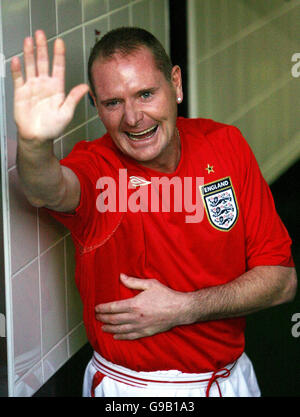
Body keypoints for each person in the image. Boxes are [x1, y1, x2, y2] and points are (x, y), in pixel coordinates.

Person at [11, 27, 297, 398]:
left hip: (232, 380)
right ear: (97, 107)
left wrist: (184, 307)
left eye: (145, 94)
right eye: (113, 103)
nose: (133, 117)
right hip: (135, 391)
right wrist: (34, 144)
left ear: (175, 84)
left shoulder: (225, 144)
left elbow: (282, 281)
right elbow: (46, 187)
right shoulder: (97, 167)